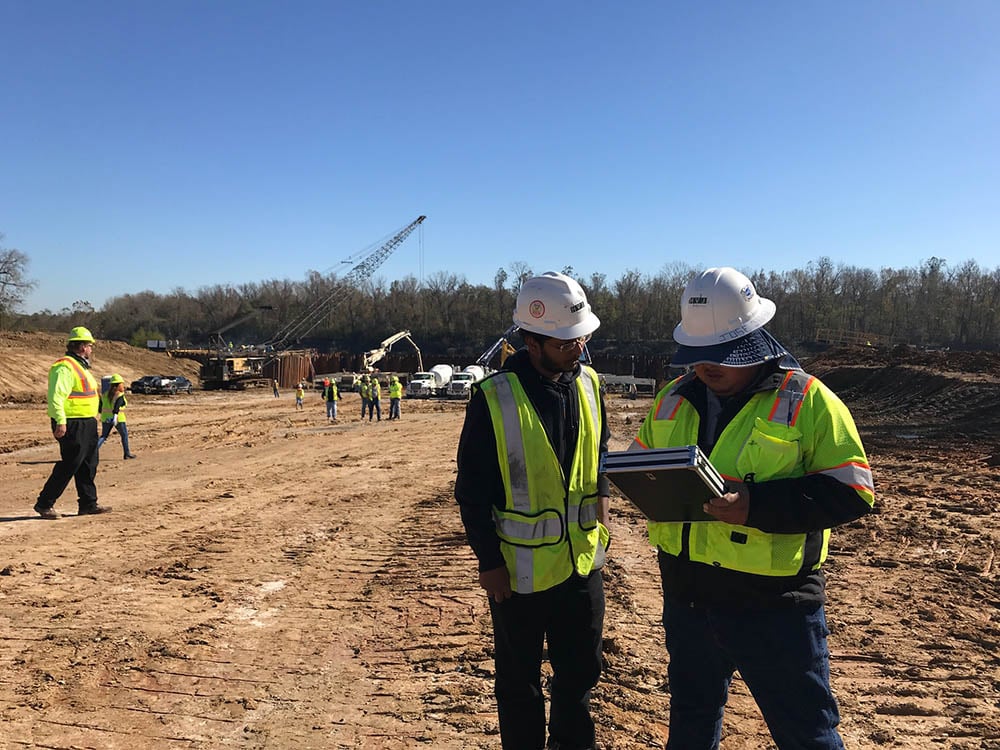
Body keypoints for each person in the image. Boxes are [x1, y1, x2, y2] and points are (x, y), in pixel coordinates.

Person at [629, 267, 875, 750]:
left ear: (754, 341)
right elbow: (643, 464)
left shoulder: (808, 399)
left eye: (720, 356)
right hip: (688, 598)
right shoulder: (671, 400)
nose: (705, 367)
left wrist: (755, 506)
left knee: (808, 734)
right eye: (697, 357)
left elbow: (852, 492)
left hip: (774, 608)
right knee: (692, 726)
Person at [455, 271, 611, 750]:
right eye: (564, 343)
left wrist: (602, 516)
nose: (577, 350)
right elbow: (472, 489)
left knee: (580, 673)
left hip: (581, 565)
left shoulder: (590, 384)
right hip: (517, 576)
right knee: (519, 681)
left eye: (580, 338)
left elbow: (599, 455)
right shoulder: (494, 397)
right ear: (531, 339)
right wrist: (489, 563)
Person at [34, 326, 112, 519]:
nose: (92, 350)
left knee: (88, 464)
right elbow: (56, 397)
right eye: (90, 346)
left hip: (87, 422)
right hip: (71, 422)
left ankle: (88, 503)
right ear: (83, 347)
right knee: (71, 463)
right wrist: (60, 421)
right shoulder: (65, 366)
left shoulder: (81, 367)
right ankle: (45, 503)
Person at [97, 373, 136, 459]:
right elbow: (117, 407)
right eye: (122, 384)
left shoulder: (105, 395)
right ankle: (127, 453)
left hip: (105, 418)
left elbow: (100, 408)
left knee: (104, 436)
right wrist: (114, 417)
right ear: (118, 385)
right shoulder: (119, 395)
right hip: (118, 419)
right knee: (124, 435)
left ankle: (93, 452)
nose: (123, 386)